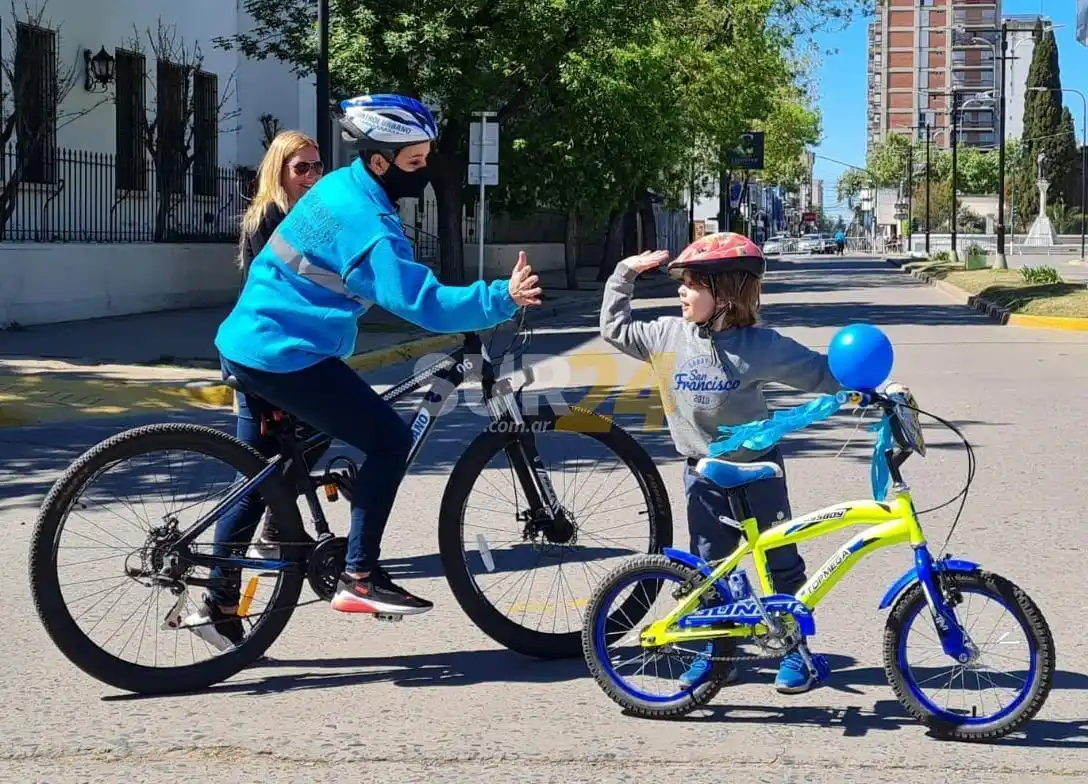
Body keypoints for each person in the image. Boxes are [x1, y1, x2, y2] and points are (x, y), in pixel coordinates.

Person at [184, 93, 542, 651]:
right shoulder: (366, 220)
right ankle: (359, 575)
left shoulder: (338, 187)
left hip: (250, 343)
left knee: (264, 473)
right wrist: (500, 296)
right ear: (380, 160)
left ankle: (216, 599)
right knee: (388, 438)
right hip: (287, 354)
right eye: (414, 162)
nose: (424, 173)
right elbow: (420, 302)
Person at [599, 232, 841, 694]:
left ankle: (794, 650)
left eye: (692, 284)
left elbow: (821, 372)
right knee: (710, 568)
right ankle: (717, 653)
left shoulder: (760, 346)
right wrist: (624, 274)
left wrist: (875, 383)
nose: (681, 292)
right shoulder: (667, 335)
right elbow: (616, 328)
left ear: (725, 293)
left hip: (760, 472)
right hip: (703, 474)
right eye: (683, 283)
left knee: (781, 562)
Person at [234, 130, 326, 560]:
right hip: (266, 355)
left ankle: (274, 531)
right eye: (301, 167)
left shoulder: (295, 216)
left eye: (316, 166)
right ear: (279, 170)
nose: (311, 175)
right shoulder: (271, 217)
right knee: (255, 471)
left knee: (296, 443)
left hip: (281, 352)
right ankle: (224, 574)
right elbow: (300, 278)